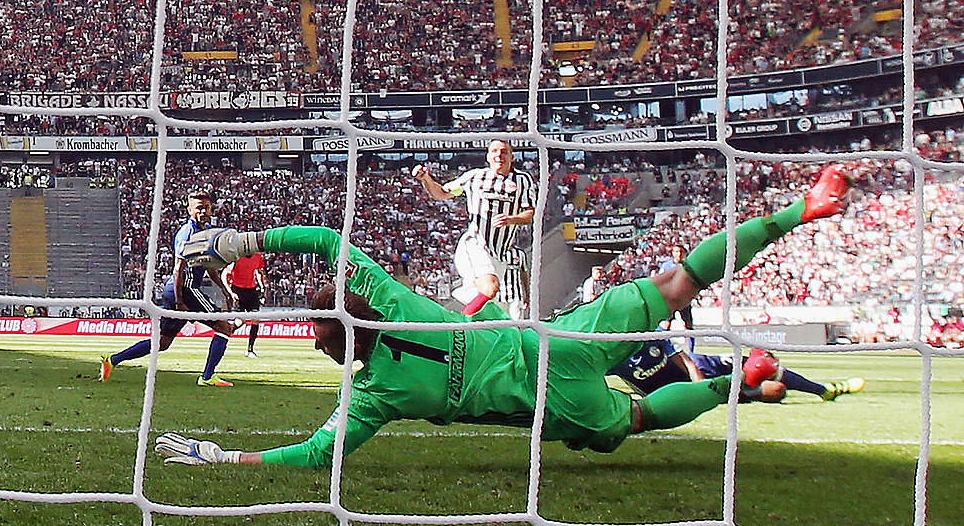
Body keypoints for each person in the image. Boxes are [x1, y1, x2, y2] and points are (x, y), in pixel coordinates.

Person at [154, 165, 848, 467]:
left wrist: (227, 458)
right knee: (673, 282)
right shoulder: (388, 299)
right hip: (555, 339)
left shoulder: (373, 396)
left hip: (549, 399)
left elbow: (315, 455)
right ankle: (801, 210)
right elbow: (329, 243)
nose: (314, 347)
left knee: (635, 420)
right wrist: (249, 241)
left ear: (345, 339)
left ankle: (736, 384)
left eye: (318, 335)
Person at [100, 191, 237, 387]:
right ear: (190, 210)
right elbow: (178, 268)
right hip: (185, 288)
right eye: (199, 208)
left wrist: (223, 288)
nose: (204, 211)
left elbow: (208, 265)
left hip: (176, 290)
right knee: (224, 327)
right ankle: (207, 377)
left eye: (206, 207)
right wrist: (181, 301)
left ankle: (112, 360)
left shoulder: (207, 231)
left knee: (162, 343)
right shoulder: (187, 234)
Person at [412, 140, 537, 318]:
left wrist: (511, 219)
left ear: (512, 156)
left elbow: (530, 214)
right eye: (494, 151)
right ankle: (459, 326)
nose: (499, 155)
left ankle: (474, 329)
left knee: (494, 307)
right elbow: (441, 193)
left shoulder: (522, 180)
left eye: (504, 152)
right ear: (488, 156)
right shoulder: (474, 177)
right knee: (490, 287)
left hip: (500, 253)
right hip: (475, 244)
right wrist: (426, 179)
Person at [610, 336, 866, 403]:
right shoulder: (610, 354)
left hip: (703, 372)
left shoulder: (652, 335)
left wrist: (699, 390)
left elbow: (688, 363)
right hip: (674, 395)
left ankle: (825, 390)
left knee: (761, 363)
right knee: (775, 392)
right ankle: (750, 391)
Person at [224, 249, 268, 358]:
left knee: (256, 318)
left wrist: (263, 287)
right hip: (238, 290)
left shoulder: (257, 257)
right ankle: (224, 333)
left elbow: (259, 272)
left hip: (251, 290)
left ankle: (250, 350)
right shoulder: (236, 257)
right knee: (240, 321)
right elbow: (224, 274)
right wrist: (230, 292)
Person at [657, 244, 695, 352]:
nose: (678, 254)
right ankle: (664, 350)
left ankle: (691, 351)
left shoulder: (689, 266)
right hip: (670, 301)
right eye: (675, 251)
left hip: (685, 300)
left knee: (688, 326)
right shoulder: (666, 266)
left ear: (684, 253)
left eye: (680, 252)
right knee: (666, 325)